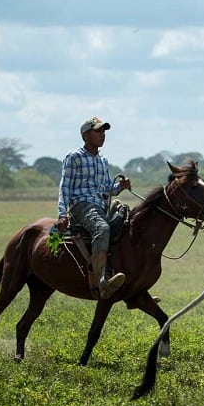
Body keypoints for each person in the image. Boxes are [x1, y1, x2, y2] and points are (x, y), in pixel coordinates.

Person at [55, 116, 131, 298]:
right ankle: (101, 279)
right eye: (98, 131)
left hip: (101, 206)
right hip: (81, 205)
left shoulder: (103, 161)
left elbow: (108, 188)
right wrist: (62, 214)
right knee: (102, 228)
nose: (102, 135)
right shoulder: (74, 157)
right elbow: (65, 186)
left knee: (128, 223)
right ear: (85, 135)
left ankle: (132, 285)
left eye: (103, 131)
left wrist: (120, 187)